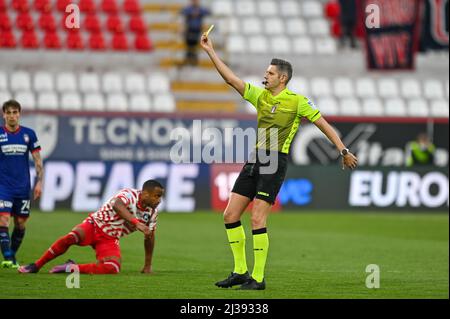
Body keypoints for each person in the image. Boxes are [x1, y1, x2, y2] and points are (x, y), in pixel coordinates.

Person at [200, 33, 358, 290]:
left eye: (270, 73)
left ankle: (258, 278)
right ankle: (240, 271)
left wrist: (343, 151)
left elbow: (323, 125)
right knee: (230, 215)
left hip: (275, 162)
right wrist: (210, 51)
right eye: (266, 72)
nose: (266, 76)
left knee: (257, 219)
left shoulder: (297, 102)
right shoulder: (259, 95)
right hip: (255, 160)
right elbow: (230, 80)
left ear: (282, 78)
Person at [18, 180, 164, 274]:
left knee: (113, 267)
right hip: (94, 225)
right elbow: (117, 206)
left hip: (109, 238)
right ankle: (36, 265)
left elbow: (150, 238)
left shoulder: (152, 214)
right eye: (156, 196)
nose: (159, 200)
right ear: (145, 194)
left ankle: (71, 267)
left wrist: (147, 265)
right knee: (71, 237)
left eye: (160, 197)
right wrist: (136, 223)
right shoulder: (129, 194)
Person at [0, 99, 44, 269]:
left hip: (22, 187)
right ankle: (8, 257)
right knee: (3, 220)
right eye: (8, 112)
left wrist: (39, 182)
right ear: (4, 114)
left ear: (19, 114)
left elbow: (38, 161)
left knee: (20, 223)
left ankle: (12, 254)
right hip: (3, 186)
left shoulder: (29, 134)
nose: (12, 116)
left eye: (15, 112)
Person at [180, 0, 210, 66]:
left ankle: (194, 61)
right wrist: (191, 13)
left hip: (197, 31)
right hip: (189, 31)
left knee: (195, 47)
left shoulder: (200, 9)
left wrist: (198, 12)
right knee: (189, 47)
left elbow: (208, 12)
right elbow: (182, 11)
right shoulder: (188, 8)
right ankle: (188, 60)